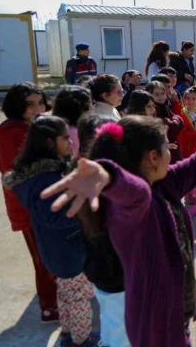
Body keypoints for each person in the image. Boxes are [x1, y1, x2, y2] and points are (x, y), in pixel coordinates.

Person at [40, 115, 196, 347]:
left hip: (174, 311)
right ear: (153, 157)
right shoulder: (128, 207)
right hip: (158, 321)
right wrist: (110, 177)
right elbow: (135, 194)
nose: (171, 152)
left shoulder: (164, 182)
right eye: (167, 146)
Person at [4, 116, 99, 347]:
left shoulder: (35, 175)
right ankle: (81, 339)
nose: (71, 143)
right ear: (49, 142)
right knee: (78, 297)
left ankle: (68, 332)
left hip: (54, 249)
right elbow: (54, 216)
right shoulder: (48, 179)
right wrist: (83, 212)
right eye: (65, 138)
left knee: (66, 293)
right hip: (68, 250)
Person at [0, 83, 57, 324]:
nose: (37, 108)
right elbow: (17, 173)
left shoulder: (32, 127)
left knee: (49, 254)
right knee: (43, 258)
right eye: (30, 104)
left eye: (40, 102)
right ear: (17, 105)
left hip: (42, 202)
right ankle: (49, 306)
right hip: (30, 206)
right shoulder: (12, 132)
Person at [75, 116, 130, 347]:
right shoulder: (117, 183)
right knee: (121, 327)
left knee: (110, 317)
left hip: (98, 268)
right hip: (119, 273)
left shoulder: (80, 172)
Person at [146, 79, 184, 164]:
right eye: (156, 94)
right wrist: (175, 119)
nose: (161, 97)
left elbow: (180, 122)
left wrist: (175, 119)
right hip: (162, 153)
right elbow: (172, 128)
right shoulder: (154, 111)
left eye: (162, 94)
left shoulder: (164, 107)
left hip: (172, 151)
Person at [51, 85, 93, 156]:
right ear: (81, 107)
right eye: (90, 103)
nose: (92, 107)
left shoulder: (55, 126)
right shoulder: (74, 132)